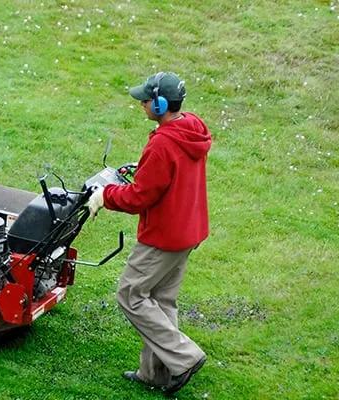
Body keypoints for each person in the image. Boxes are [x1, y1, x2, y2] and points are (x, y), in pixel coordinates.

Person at [87, 71, 212, 394]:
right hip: (188, 231)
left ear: (159, 105)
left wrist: (104, 196)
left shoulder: (163, 144)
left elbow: (140, 197)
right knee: (161, 299)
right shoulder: (191, 129)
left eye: (146, 100)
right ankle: (156, 374)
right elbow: (164, 178)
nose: (141, 104)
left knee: (130, 295)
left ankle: (185, 357)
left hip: (163, 237)